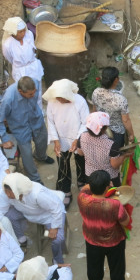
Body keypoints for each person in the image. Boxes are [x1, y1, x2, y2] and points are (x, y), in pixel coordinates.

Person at [77, 170, 132, 280]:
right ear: (107, 187)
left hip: (92, 240)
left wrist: (96, 183)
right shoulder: (114, 204)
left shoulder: (82, 199)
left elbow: (85, 189)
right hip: (114, 242)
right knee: (117, 270)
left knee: (93, 267)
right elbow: (126, 221)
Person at [0, 173, 67, 265]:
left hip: (49, 215)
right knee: (9, 215)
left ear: (17, 190)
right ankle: (22, 239)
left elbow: (56, 208)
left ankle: (57, 260)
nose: (7, 194)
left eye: (9, 192)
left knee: (58, 239)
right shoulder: (5, 194)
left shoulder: (37, 194)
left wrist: (54, 227)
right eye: (6, 191)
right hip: (27, 213)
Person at [0, 76, 54, 183]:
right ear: (20, 91)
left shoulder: (35, 82)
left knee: (43, 141)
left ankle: (41, 156)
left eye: (35, 92)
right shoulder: (8, 99)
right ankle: (34, 178)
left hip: (36, 119)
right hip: (20, 126)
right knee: (26, 154)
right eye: (30, 94)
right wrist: (5, 139)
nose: (34, 95)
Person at [45, 79, 89, 208]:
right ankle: (66, 190)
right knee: (63, 165)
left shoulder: (80, 101)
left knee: (81, 160)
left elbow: (85, 122)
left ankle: (82, 182)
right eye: (57, 97)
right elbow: (51, 122)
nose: (59, 99)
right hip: (61, 138)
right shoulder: (52, 102)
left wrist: (77, 139)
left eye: (61, 97)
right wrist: (56, 141)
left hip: (78, 137)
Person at [2, 17, 44, 113]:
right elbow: (9, 58)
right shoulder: (8, 44)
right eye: (19, 32)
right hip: (20, 69)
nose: (23, 34)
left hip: (33, 66)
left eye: (23, 31)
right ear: (12, 32)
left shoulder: (29, 35)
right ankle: (28, 113)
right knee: (24, 93)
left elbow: (32, 48)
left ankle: (39, 111)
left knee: (37, 90)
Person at [78, 112, 129, 187]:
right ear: (104, 128)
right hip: (109, 178)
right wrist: (124, 156)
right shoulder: (111, 144)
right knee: (112, 196)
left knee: (95, 196)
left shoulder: (82, 137)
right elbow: (114, 165)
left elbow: (80, 153)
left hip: (91, 176)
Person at [91, 67, 135, 149]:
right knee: (116, 156)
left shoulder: (96, 92)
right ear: (116, 80)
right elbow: (125, 120)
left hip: (101, 130)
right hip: (117, 134)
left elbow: (94, 111)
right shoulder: (120, 99)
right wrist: (131, 134)